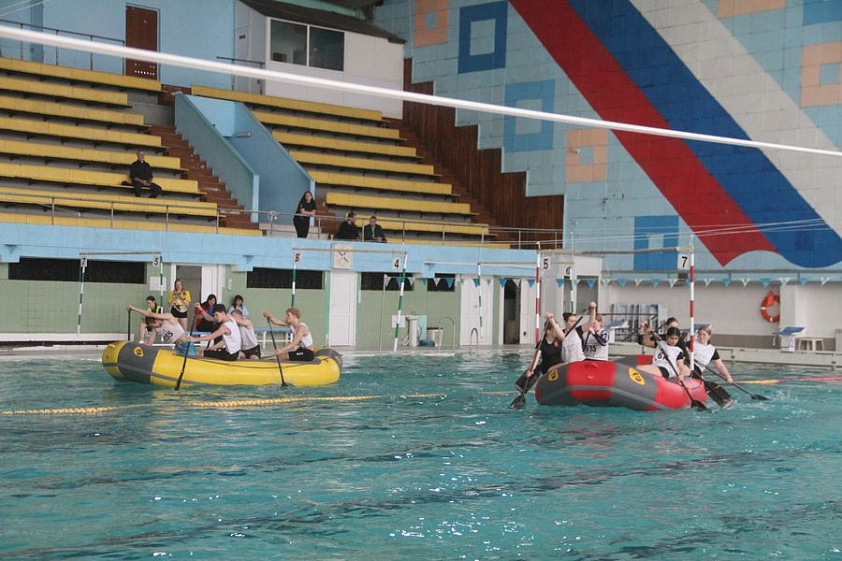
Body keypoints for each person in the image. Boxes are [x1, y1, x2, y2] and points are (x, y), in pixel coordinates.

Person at [515, 312, 566, 392]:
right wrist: (531, 370)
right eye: (555, 329)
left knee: (567, 364)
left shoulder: (559, 340)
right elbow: (535, 359)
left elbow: (563, 336)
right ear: (548, 331)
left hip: (560, 365)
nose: (557, 331)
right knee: (566, 364)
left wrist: (551, 320)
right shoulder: (541, 344)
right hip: (548, 368)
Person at [127, 304, 197, 356]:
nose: (154, 327)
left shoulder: (168, 317)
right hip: (177, 348)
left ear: (156, 320)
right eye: (152, 326)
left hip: (187, 345)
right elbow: (150, 343)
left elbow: (150, 314)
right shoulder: (156, 329)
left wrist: (134, 308)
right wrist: (141, 343)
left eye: (153, 325)